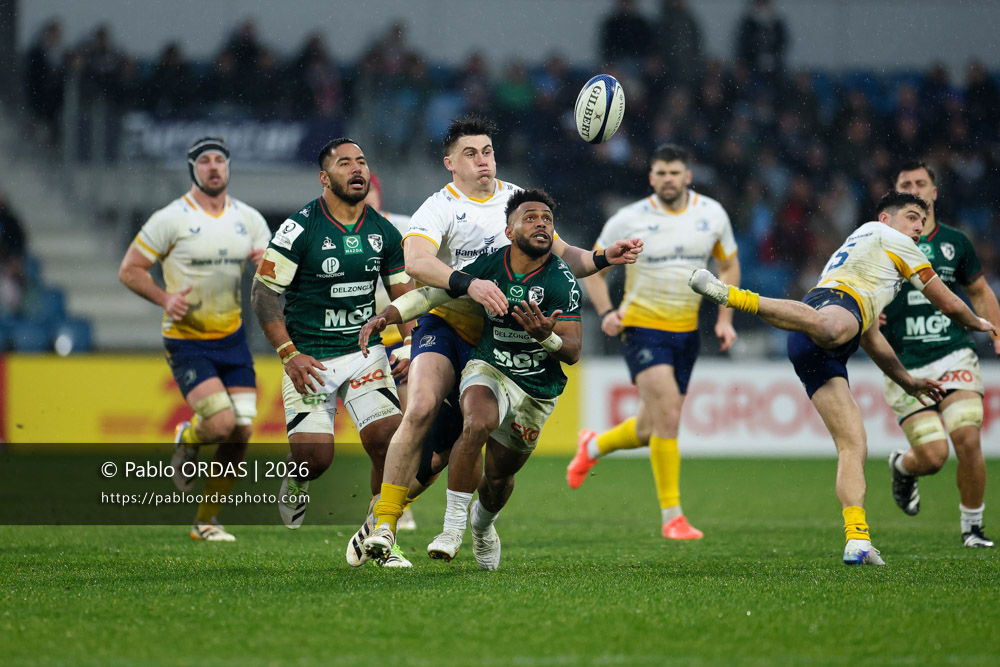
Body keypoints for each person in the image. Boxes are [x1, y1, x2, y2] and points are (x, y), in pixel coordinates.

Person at [358, 115, 641, 564]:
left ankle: (407, 517)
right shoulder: (439, 206)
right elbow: (416, 262)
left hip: (497, 342)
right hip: (446, 324)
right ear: (450, 163)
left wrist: (605, 256)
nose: (482, 161)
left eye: (487, 151)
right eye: (470, 154)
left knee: (447, 453)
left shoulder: (516, 200)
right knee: (422, 407)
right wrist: (469, 284)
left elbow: (564, 257)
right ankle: (386, 526)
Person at [688, 190, 997, 565]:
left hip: (822, 336)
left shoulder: (872, 256)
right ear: (886, 220)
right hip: (829, 312)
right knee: (831, 329)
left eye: (923, 219)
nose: (919, 226)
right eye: (912, 217)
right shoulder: (893, 241)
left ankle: (858, 540)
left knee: (853, 444)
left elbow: (870, 336)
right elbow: (946, 300)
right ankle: (730, 295)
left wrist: (907, 381)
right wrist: (979, 322)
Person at [359, 189, 582, 569]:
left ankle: (482, 524)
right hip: (490, 365)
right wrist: (389, 316)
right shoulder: (490, 265)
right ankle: (449, 529)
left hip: (535, 385)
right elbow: (432, 295)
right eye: (530, 218)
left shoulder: (562, 280)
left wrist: (546, 337)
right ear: (509, 231)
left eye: (547, 219)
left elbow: (573, 351)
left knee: (498, 478)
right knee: (474, 423)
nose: (541, 224)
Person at [250, 138, 416, 567]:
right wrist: (289, 354)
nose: (357, 168)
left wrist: (411, 345)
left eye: (362, 161)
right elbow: (263, 294)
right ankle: (298, 479)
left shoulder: (384, 231)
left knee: (389, 442)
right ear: (324, 178)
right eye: (345, 163)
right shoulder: (299, 228)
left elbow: (405, 295)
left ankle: (382, 535)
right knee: (315, 459)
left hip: (364, 353)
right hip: (310, 357)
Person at [567, 144, 739, 540]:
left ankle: (592, 447)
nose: (668, 179)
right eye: (660, 173)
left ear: (687, 176)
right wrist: (606, 312)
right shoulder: (628, 219)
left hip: (687, 332)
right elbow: (593, 268)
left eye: (674, 173)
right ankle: (672, 516)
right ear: (651, 178)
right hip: (641, 327)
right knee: (668, 418)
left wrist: (725, 318)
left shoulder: (712, 214)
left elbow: (728, 265)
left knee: (649, 427)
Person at [118, 137, 270, 541]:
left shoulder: (250, 219)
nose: (213, 167)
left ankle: (206, 521)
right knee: (219, 424)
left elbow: (273, 275)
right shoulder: (170, 218)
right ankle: (187, 438)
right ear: (193, 169)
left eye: (220, 159)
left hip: (233, 339)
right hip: (187, 341)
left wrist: (266, 265)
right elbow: (130, 270)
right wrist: (164, 298)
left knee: (241, 431)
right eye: (204, 161)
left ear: (229, 167)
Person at [881, 161, 1000, 548]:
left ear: (934, 193)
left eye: (921, 183)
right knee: (933, 457)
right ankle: (903, 466)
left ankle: (973, 528)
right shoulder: (877, 242)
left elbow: (979, 291)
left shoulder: (955, 242)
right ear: (896, 195)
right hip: (903, 363)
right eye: (905, 183)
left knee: (967, 437)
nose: (914, 188)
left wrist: (997, 329)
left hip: (954, 353)